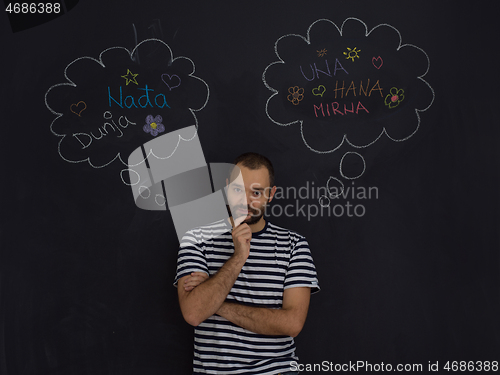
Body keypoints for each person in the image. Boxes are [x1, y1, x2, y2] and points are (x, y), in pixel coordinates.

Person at [174, 152, 319, 374]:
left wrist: (215, 304)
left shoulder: (294, 245)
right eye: (238, 189)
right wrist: (239, 257)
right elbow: (193, 313)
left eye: (257, 192)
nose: (245, 200)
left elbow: (292, 324)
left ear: (270, 195)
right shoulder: (196, 239)